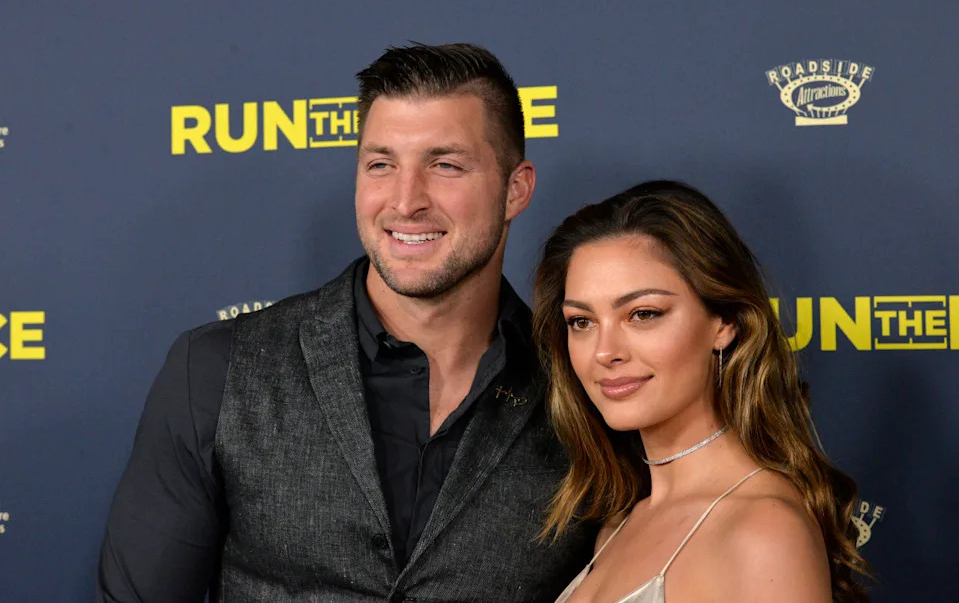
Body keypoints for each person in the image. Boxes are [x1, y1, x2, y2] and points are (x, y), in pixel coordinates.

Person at [96, 43, 595, 602]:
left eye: (445, 165)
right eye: (381, 165)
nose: (406, 202)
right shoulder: (217, 369)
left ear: (516, 189)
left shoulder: (584, 384)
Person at [532, 181, 869, 602]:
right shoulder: (620, 523)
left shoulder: (762, 531)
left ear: (723, 322)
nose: (604, 352)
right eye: (581, 321)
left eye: (643, 314)